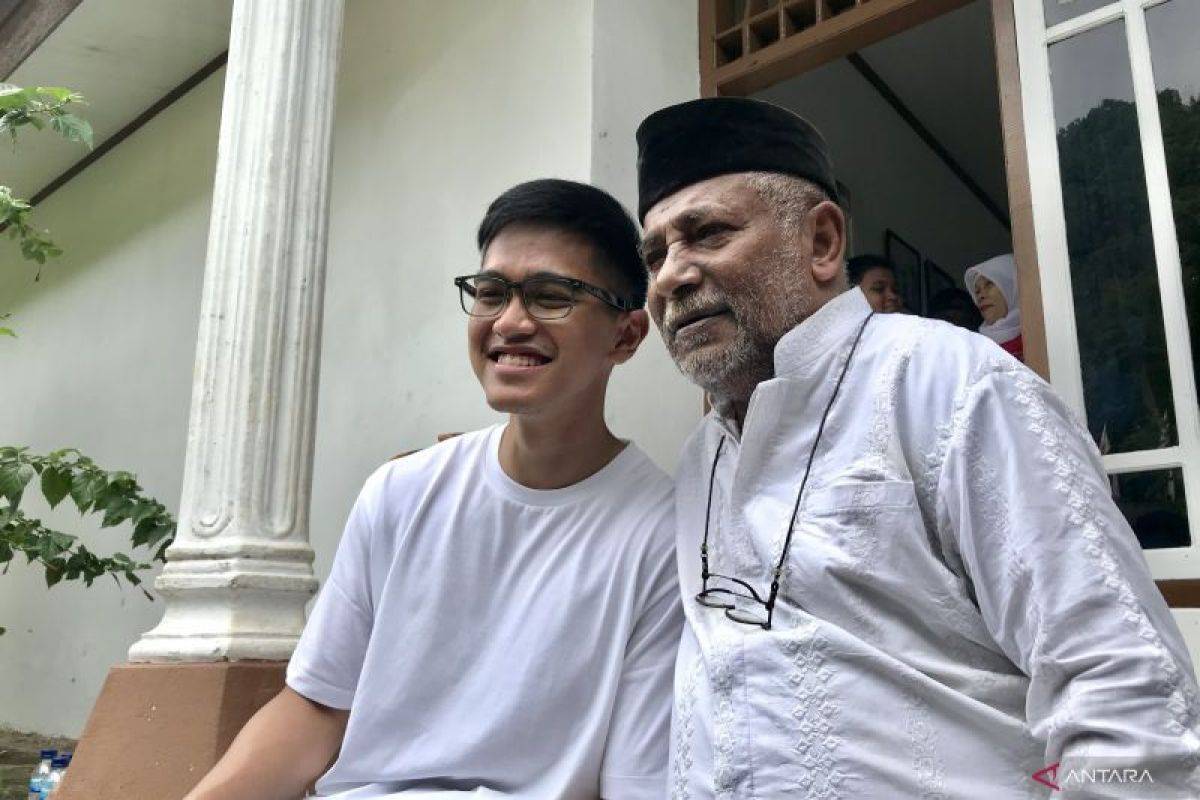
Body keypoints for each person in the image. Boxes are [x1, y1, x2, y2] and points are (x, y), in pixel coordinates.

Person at [635, 97, 1199, 798]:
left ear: (821, 242)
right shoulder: (702, 456)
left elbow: (1132, 701)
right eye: (654, 255)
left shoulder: (954, 385)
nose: (671, 276)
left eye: (708, 233)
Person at [184, 179, 683, 800]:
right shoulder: (402, 493)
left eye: (552, 296)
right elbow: (315, 710)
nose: (510, 322)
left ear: (626, 336)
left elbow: (636, 783)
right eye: (491, 293)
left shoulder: (665, 536)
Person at [965, 252, 1023, 360]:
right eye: (977, 291)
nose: (981, 296)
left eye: (989, 284)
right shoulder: (973, 349)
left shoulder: (1040, 335)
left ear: (1011, 286)